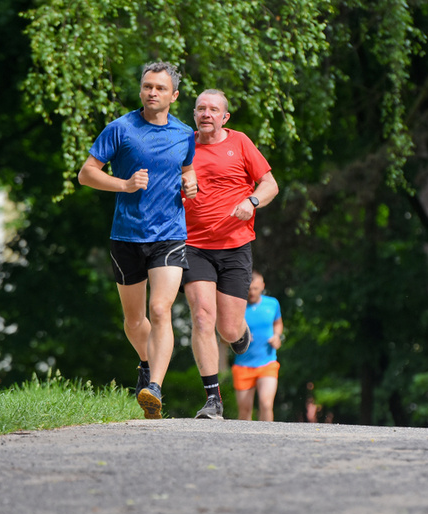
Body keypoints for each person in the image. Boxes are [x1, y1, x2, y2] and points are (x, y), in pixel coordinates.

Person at [78, 62, 198, 419]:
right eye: (147, 86)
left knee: (160, 310)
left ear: (174, 96)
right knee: (134, 321)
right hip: (127, 234)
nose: (152, 92)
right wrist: (125, 185)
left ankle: (155, 387)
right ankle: (145, 362)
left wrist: (190, 184)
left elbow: (188, 169)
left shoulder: (184, 134)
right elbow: (87, 174)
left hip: (169, 235)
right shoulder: (120, 129)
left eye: (160, 88)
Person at [183, 89, 279, 420]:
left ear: (224, 117)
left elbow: (270, 184)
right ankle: (213, 400)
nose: (206, 114)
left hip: (235, 247)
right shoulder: (183, 146)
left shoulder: (239, 143)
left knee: (228, 328)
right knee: (201, 317)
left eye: (213, 110)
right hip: (193, 246)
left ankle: (239, 333)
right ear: (194, 114)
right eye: (200, 109)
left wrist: (251, 201)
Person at [232, 270, 283, 421]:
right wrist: (239, 337)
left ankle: (269, 439)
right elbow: (224, 336)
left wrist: (277, 336)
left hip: (267, 362)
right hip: (243, 365)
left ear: (262, 286)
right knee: (245, 411)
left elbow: (278, 323)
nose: (252, 292)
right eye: (249, 289)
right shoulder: (237, 307)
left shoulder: (272, 303)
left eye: (256, 288)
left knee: (266, 404)